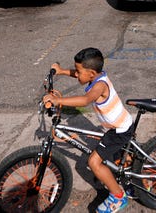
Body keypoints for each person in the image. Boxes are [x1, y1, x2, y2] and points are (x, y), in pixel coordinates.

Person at [42, 48, 132, 213]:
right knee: (117, 159)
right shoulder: (96, 76)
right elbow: (79, 75)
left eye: (78, 71)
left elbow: (85, 100)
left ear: (91, 73)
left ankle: (118, 196)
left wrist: (57, 100)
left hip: (119, 130)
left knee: (93, 162)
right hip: (118, 124)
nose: (76, 74)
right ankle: (128, 169)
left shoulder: (100, 86)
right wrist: (61, 71)